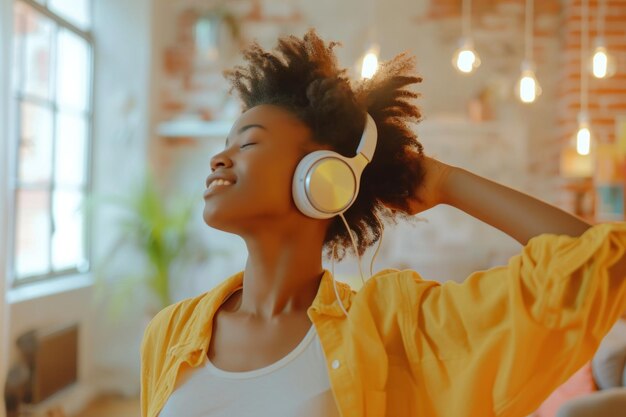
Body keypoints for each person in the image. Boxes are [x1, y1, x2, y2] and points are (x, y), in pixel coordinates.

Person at [140, 29, 626, 417]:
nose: (219, 159)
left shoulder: (391, 330)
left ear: (323, 178)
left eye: (247, 143)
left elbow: (596, 264)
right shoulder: (169, 332)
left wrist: (444, 181)